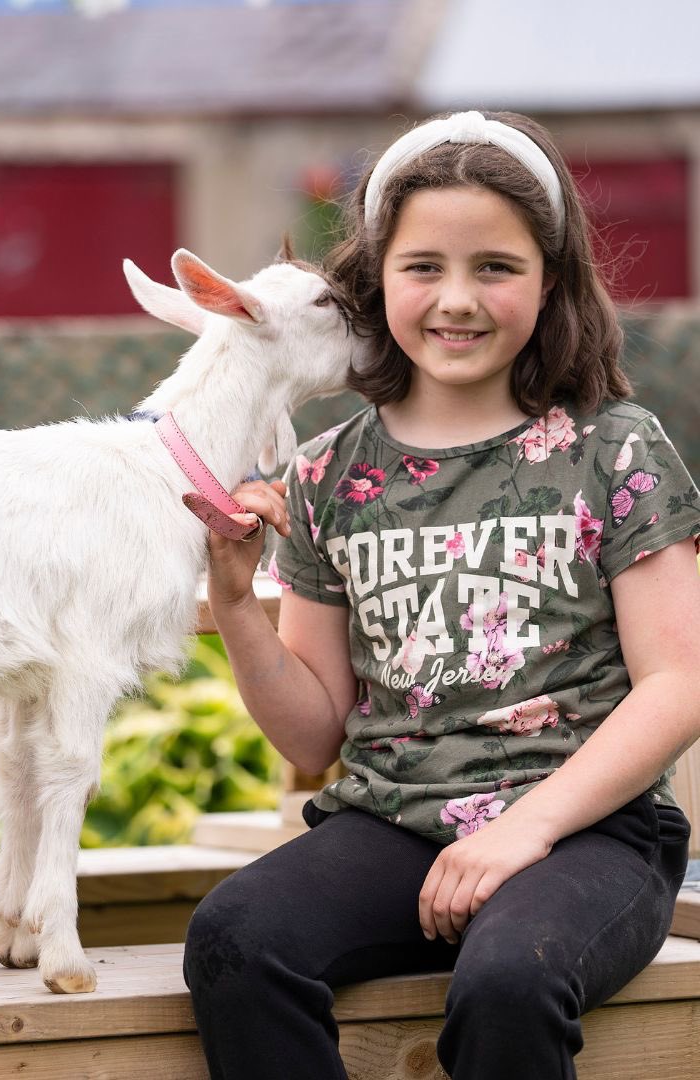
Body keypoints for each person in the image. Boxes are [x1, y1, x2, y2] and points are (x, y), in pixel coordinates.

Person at [183, 110, 700, 1080]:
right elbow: (312, 735)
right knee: (236, 940)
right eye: (423, 266)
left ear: (551, 282)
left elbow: (679, 683)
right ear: (377, 281)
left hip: (588, 835)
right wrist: (236, 600)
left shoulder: (613, 449)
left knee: (510, 978)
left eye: (495, 268)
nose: (455, 299)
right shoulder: (330, 474)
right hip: (390, 824)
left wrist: (527, 827)